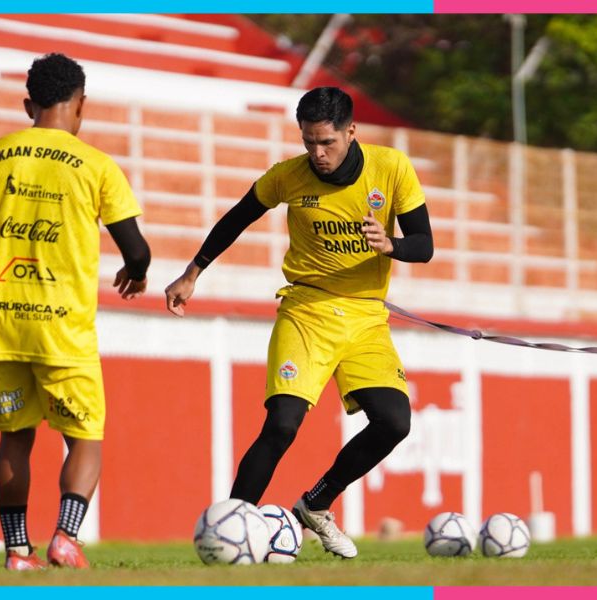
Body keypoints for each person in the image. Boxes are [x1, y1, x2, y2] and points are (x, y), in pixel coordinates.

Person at [165, 87, 433, 558]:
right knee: (282, 425)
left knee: (395, 422)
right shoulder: (288, 176)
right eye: (309, 142)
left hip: (366, 318)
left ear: (351, 132)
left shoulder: (391, 168)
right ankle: (230, 529)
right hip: (307, 311)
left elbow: (424, 245)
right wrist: (192, 272)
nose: (317, 153)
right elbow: (236, 218)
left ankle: (316, 503)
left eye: (326, 142)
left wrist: (392, 245)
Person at [0, 53, 151, 570]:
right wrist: (136, 271)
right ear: (81, 105)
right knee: (85, 437)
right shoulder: (96, 166)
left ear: (29, 105)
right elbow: (136, 249)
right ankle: (65, 538)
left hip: (3, 324)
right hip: (63, 330)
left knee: (15, 437)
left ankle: (16, 551)